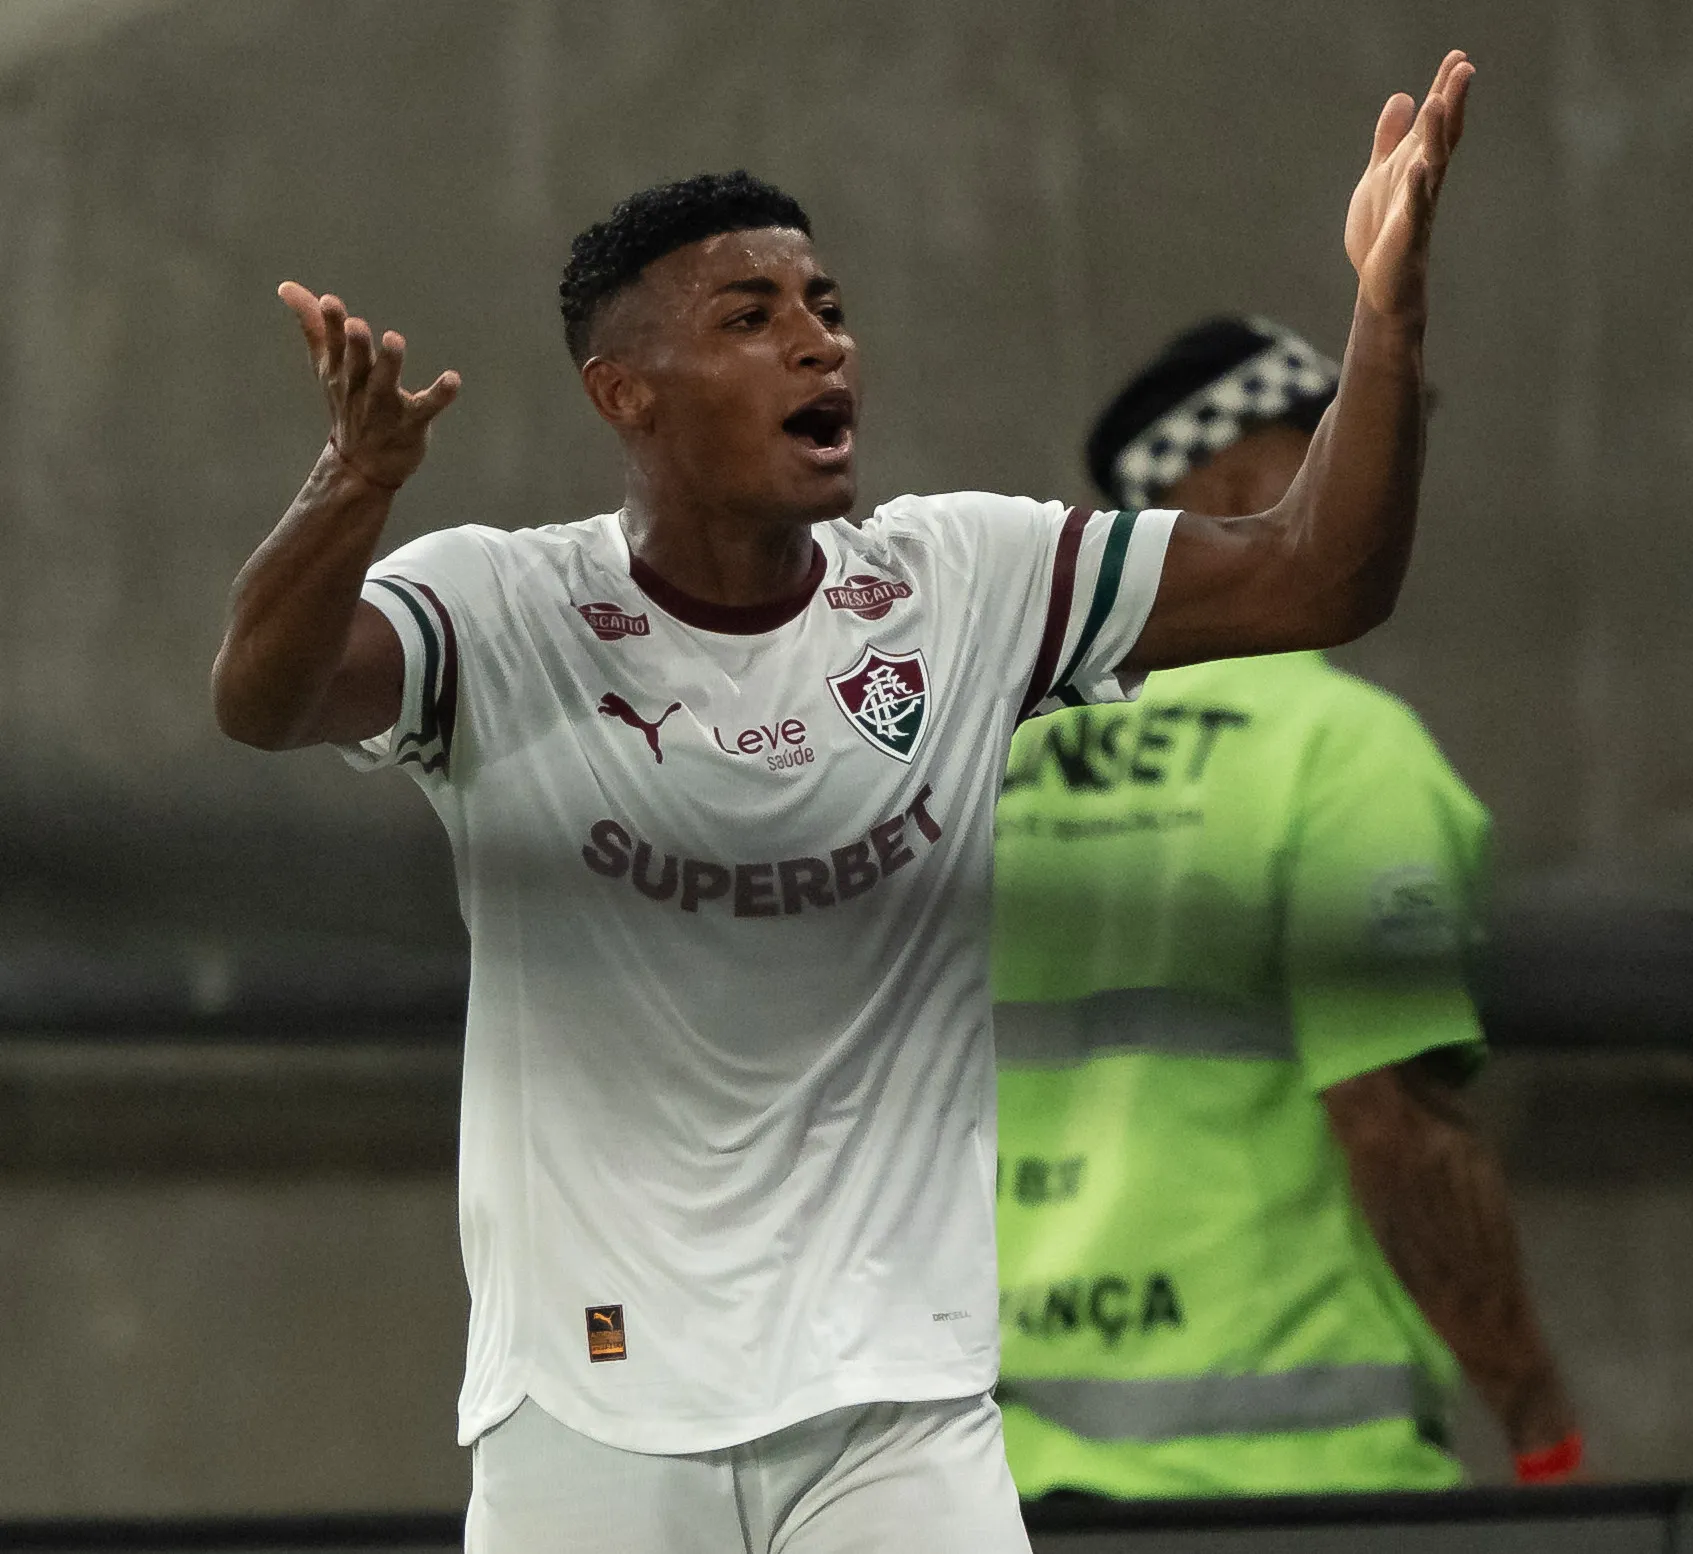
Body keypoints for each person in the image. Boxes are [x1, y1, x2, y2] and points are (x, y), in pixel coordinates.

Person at [208, 50, 1474, 1554]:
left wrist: (1384, 324)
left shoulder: (968, 579)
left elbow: (1318, 573)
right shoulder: (503, 606)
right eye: (750, 319)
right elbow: (262, 698)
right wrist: (354, 483)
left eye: (826, 308)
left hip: (897, 1412)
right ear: (628, 393)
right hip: (588, 1414)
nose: (818, 345)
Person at [990, 318, 1580, 1499]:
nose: (1385, 479)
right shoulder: (1340, 753)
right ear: (1229, 483)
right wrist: (1536, 1417)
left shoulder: (991, 761)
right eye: (1339, 441)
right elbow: (1392, 1124)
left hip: (1000, 1485)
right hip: (1300, 1484)